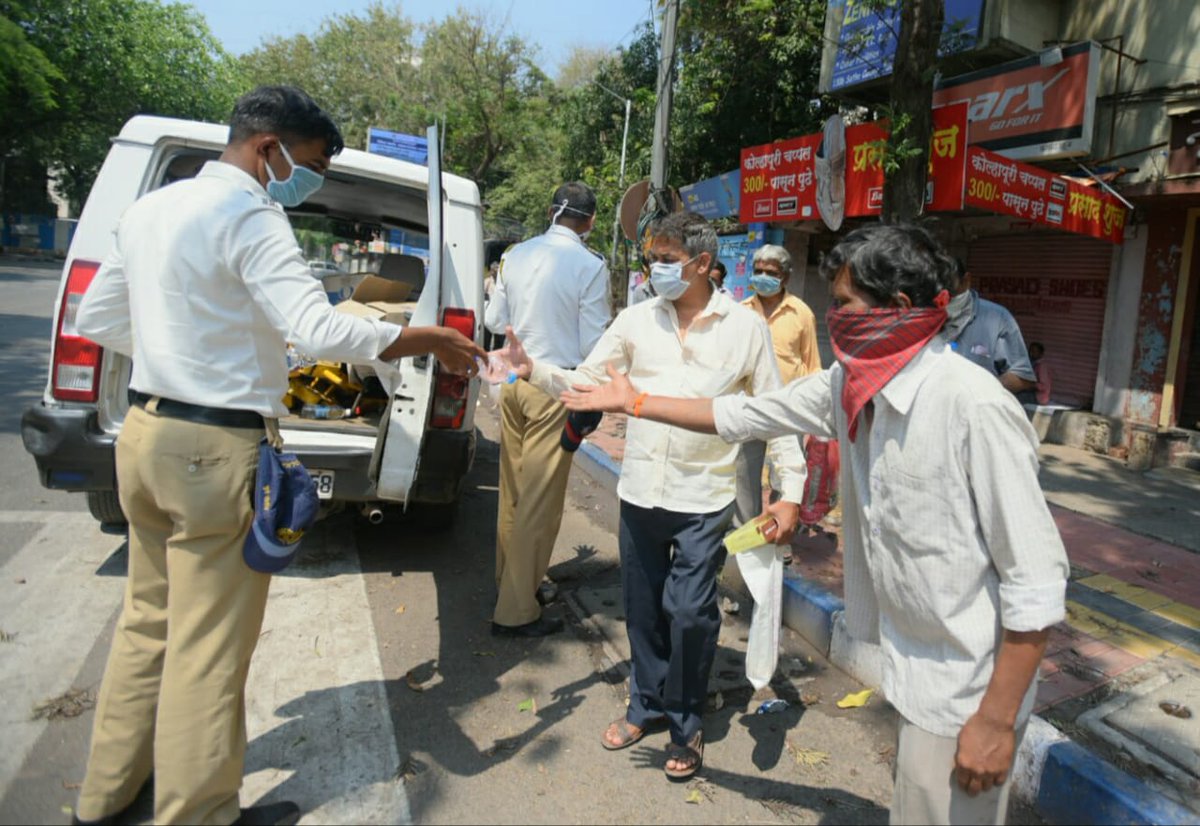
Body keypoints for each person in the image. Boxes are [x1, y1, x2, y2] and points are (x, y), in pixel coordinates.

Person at [559, 224, 1069, 825]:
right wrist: (636, 403)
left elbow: (1036, 584)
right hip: (916, 675)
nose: (833, 319)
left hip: (971, 690)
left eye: (846, 305)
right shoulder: (852, 385)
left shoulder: (973, 406)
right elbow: (747, 414)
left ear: (897, 308)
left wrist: (996, 720)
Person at [70, 85, 483, 826]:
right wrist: (425, 337)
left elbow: (98, 317)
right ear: (269, 147)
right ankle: (198, 815)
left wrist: (181, 355)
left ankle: (104, 799)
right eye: (312, 164)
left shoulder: (151, 209)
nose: (311, 180)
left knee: (146, 624)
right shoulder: (251, 214)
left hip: (146, 435)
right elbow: (319, 331)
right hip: (212, 451)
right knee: (208, 648)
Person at [502, 211, 807, 780]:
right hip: (641, 489)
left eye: (667, 259)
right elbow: (588, 382)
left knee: (689, 612)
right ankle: (646, 705)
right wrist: (534, 370)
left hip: (705, 496)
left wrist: (790, 489)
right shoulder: (636, 320)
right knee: (642, 612)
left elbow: (776, 412)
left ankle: (686, 721)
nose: (655, 268)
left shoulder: (745, 329)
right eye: (652, 258)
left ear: (702, 263)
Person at [483, 181, 611, 637]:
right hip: (553, 386)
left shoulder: (514, 255)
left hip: (512, 384)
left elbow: (493, 320)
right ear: (590, 221)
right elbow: (593, 344)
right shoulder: (591, 266)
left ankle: (509, 585)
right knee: (540, 502)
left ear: (550, 210)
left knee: (514, 493)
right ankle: (516, 611)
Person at [741, 244, 827, 533]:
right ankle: (747, 535)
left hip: (789, 408)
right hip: (750, 407)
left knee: (787, 477)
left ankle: (779, 531)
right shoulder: (740, 312)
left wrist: (813, 416)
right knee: (745, 476)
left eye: (771, 273)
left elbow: (812, 366)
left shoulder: (801, 313)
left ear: (785, 277)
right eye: (758, 271)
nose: (763, 277)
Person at [944, 260, 1037, 396]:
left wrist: (980, 393)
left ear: (966, 281)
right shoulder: (921, 314)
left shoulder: (998, 318)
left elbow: (1022, 376)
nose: (944, 299)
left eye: (950, 290)